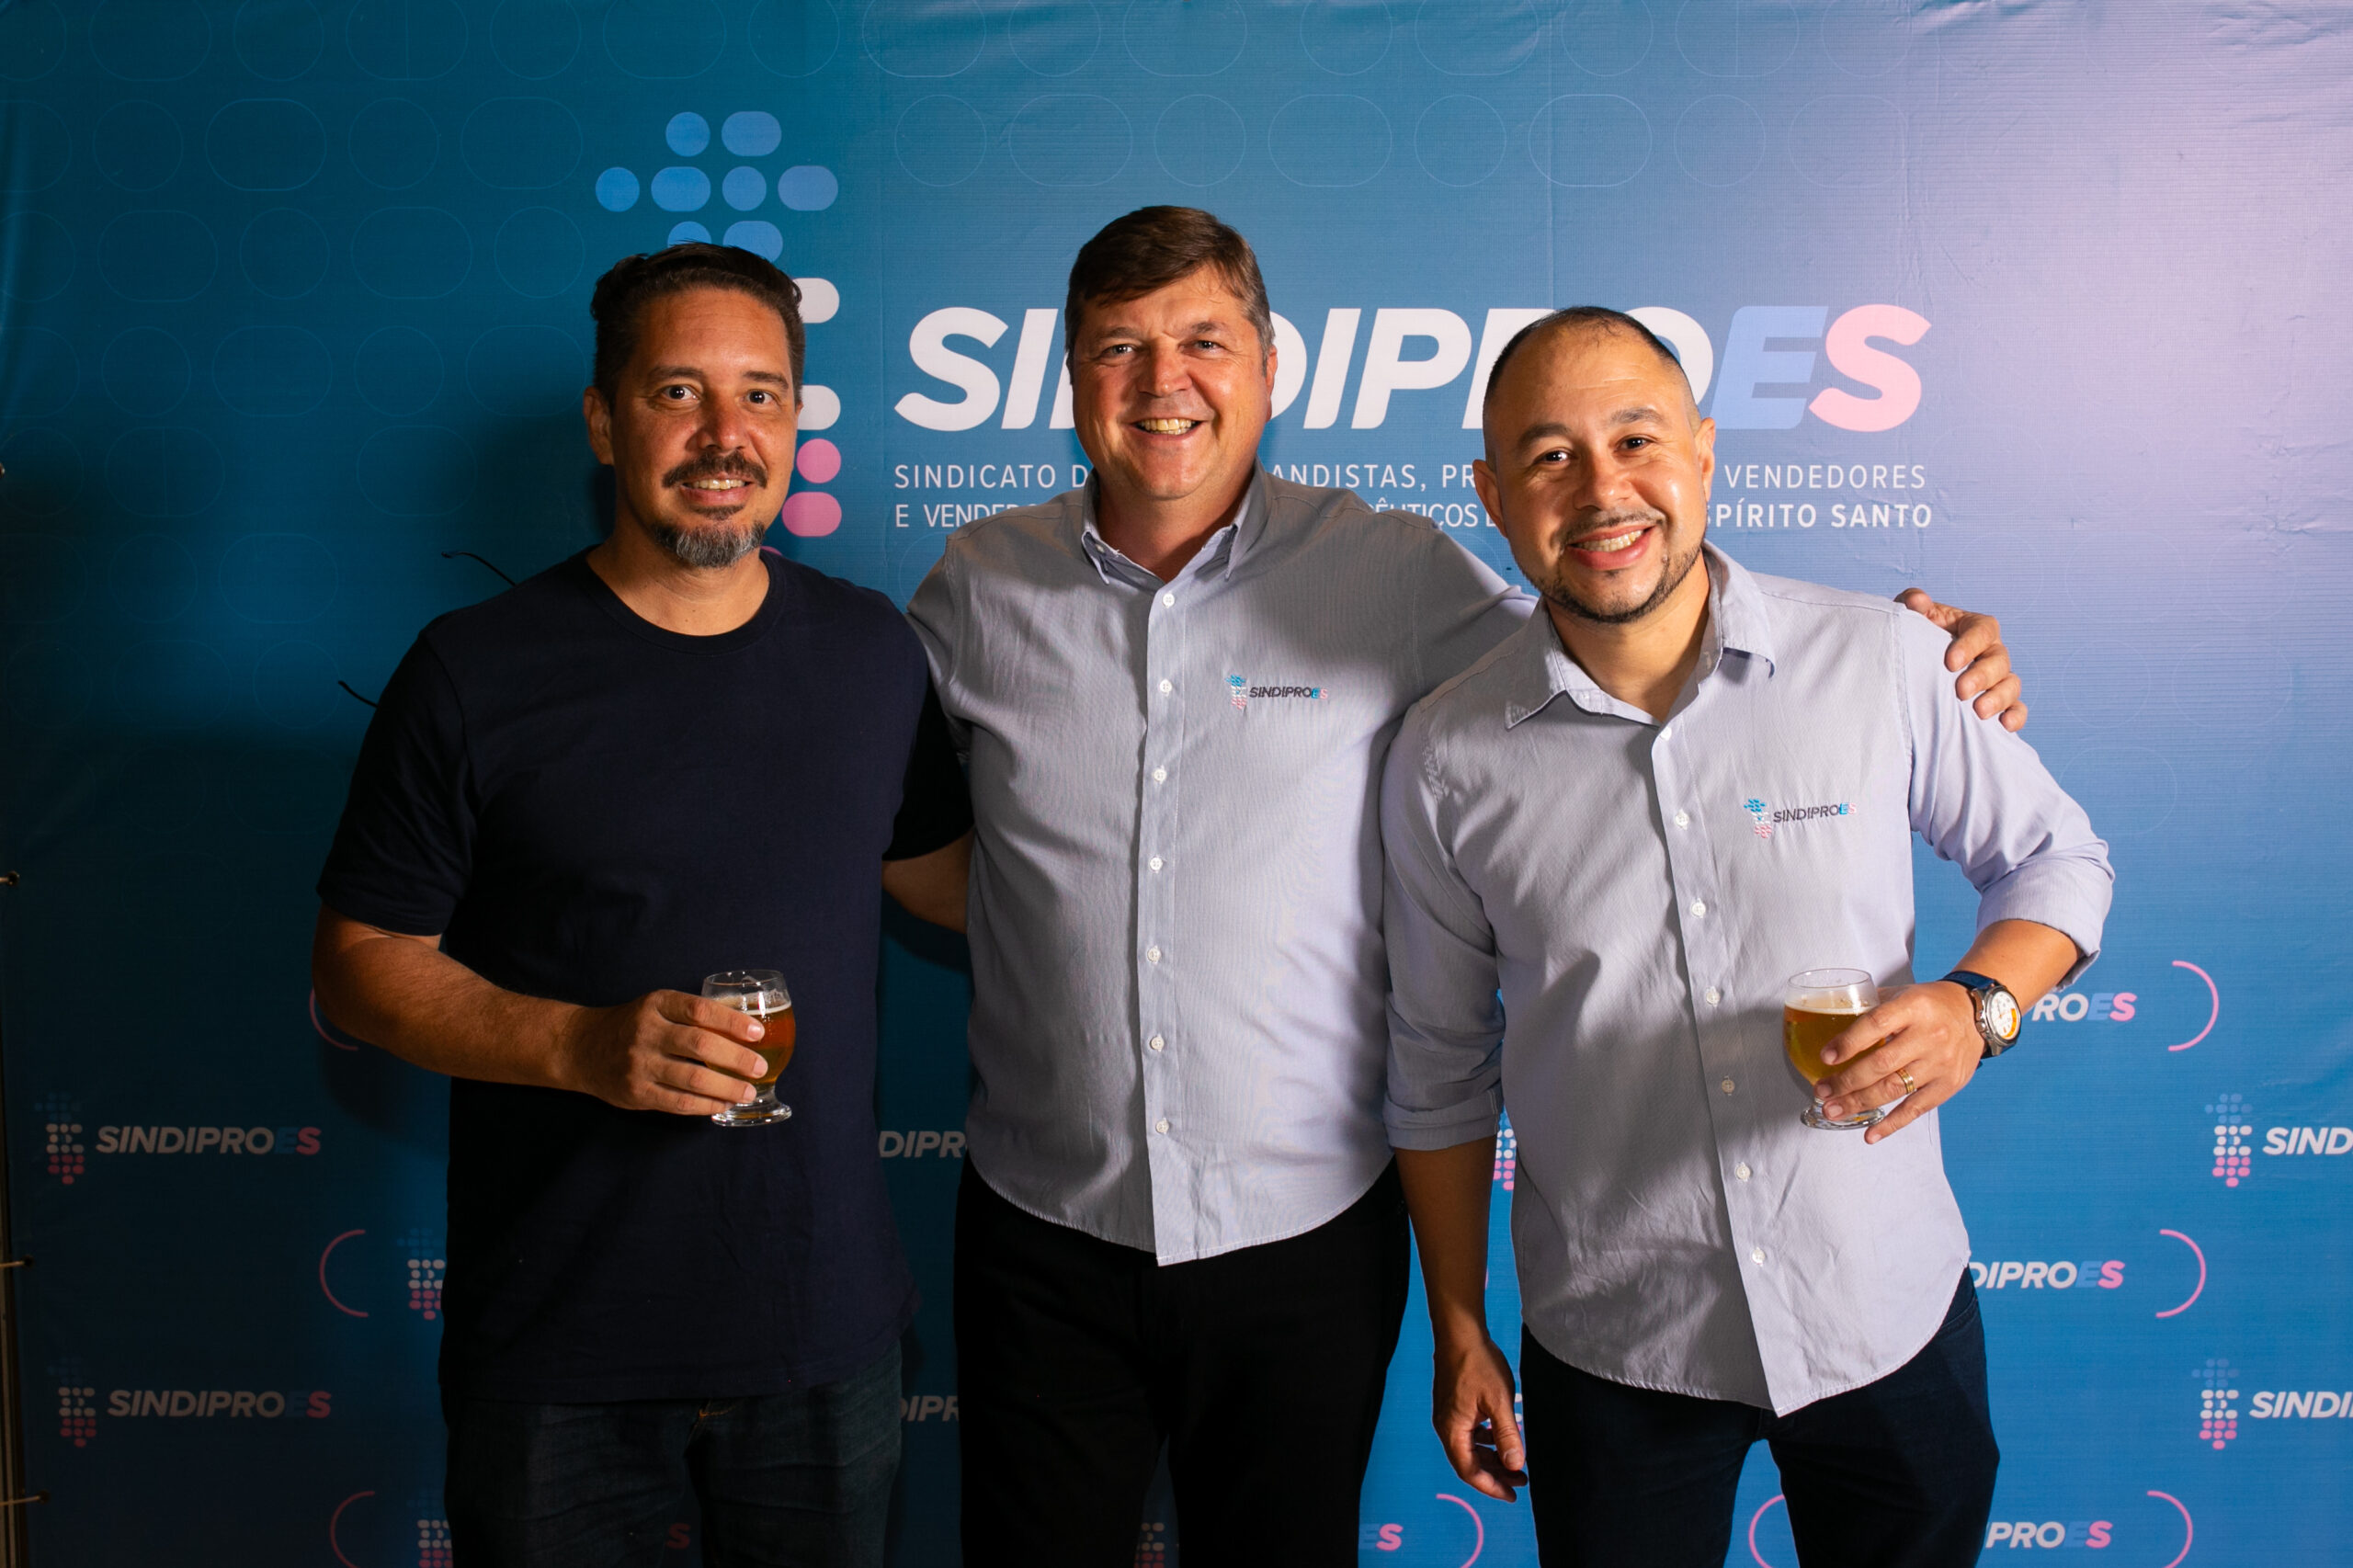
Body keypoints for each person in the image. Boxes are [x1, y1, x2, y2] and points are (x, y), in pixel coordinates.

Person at [907, 208, 2030, 1564]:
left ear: (1268, 366)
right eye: (1118, 348)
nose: (1164, 382)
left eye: (1203, 341)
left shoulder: (1389, 568)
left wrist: (1914, 656)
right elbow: (893, 809)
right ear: (1071, 376)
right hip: (1041, 1221)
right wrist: (1043, 924)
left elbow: (1608, 625)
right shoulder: (974, 584)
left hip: (1300, 1232)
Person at [1381, 307, 2114, 1567]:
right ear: (1494, 497)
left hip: (1882, 1306)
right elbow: (1437, 1065)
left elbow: (2059, 859)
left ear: (1705, 453)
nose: (1602, 489)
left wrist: (1977, 1007)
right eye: (1550, 456)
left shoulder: (1882, 657)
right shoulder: (1446, 757)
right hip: (1618, 1342)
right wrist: (1458, 1321)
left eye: (1636, 440)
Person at [310, 244, 972, 1568]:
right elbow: (360, 961)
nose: (726, 435)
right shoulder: (473, 671)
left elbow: (943, 877)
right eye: (679, 392)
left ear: (797, 419)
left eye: (762, 394)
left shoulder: (872, 652)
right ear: (605, 421)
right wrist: (579, 1044)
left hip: (819, 1338)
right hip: (560, 1354)